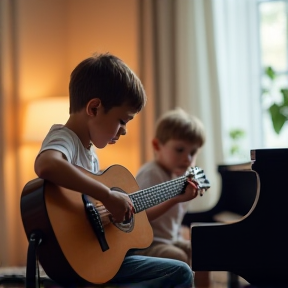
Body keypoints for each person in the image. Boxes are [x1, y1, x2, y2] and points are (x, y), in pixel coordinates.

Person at [34, 53, 198, 288]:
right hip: (76, 262)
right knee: (180, 274)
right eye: (122, 120)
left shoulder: (90, 154)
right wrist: (107, 195)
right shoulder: (64, 138)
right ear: (94, 108)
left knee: (178, 271)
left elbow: (121, 220)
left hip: (98, 259)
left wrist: (175, 197)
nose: (124, 131)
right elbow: (46, 164)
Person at [134, 108, 209, 287]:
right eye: (180, 149)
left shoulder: (177, 177)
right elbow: (140, 217)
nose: (188, 158)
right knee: (179, 258)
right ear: (157, 146)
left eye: (193, 152)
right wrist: (176, 199)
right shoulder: (152, 173)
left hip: (167, 240)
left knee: (204, 250)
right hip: (144, 245)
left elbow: (171, 221)